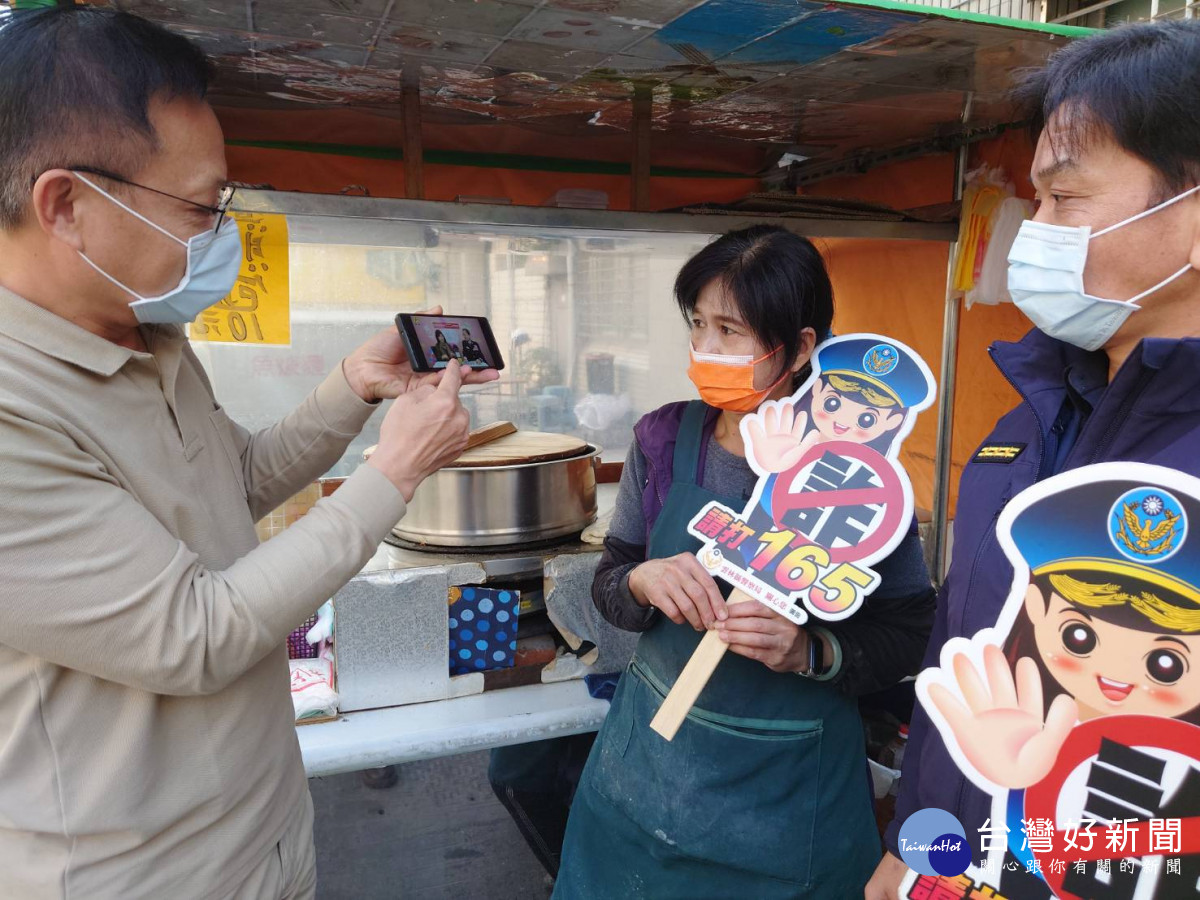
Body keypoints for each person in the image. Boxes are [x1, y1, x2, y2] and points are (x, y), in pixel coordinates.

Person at [0, 8, 496, 899]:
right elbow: (192, 633)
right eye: (201, 206)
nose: (219, 232)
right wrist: (395, 470)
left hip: (263, 828)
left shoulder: (144, 334)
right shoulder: (13, 406)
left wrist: (351, 387)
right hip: (138, 873)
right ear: (66, 205)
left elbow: (235, 480)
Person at [866, 19, 1200, 899]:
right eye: (1036, 200)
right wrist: (914, 849)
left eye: (1065, 198)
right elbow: (962, 664)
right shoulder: (1025, 423)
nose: (1034, 229)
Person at [553, 225, 938, 897]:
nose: (706, 349)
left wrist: (812, 652)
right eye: (698, 324)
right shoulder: (664, 437)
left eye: (731, 331)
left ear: (798, 347)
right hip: (642, 782)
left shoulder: (859, 482)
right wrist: (641, 581)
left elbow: (911, 629)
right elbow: (612, 578)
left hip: (785, 811)